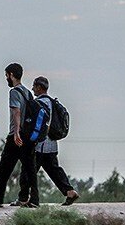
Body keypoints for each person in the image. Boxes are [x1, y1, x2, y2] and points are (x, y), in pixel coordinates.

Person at [18, 76, 79, 206]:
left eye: (34, 86)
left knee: (27, 171)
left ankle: (24, 199)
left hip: (40, 145)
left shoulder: (39, 103)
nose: (32, 88)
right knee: (54, 170)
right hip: (52, 144)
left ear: (39, 87)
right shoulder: (52, 102)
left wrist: (31, 139)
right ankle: (70, 192)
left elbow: (37, 124)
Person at [0, 63, 39, 207]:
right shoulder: (28, 93)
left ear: (11, 75)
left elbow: (16, 111)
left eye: (6, 75)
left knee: (4, 169)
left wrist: (17, 132)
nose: (6, 78)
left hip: (16, 136)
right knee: (30, 169)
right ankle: (35, 199)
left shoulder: (14, 92)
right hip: (29, 136)